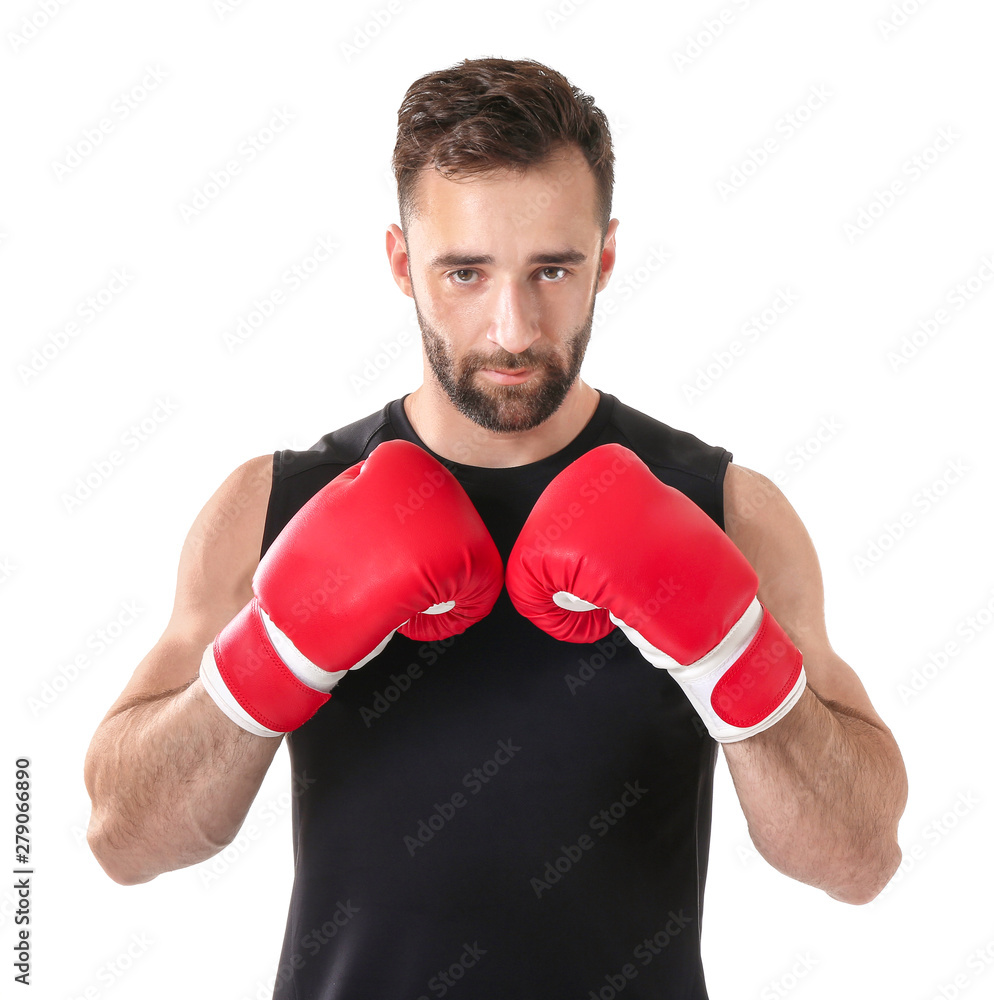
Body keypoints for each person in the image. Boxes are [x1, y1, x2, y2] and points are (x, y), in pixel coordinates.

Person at [84, 56, 908, 998]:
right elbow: (122, 837)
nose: (512, 328)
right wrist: (274, 656)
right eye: (465, 273)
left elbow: (860, 857)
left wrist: (729, 653)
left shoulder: (724, 510)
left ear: (604, 256)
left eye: (551, 269)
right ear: (402, 264)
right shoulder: (274, 505)